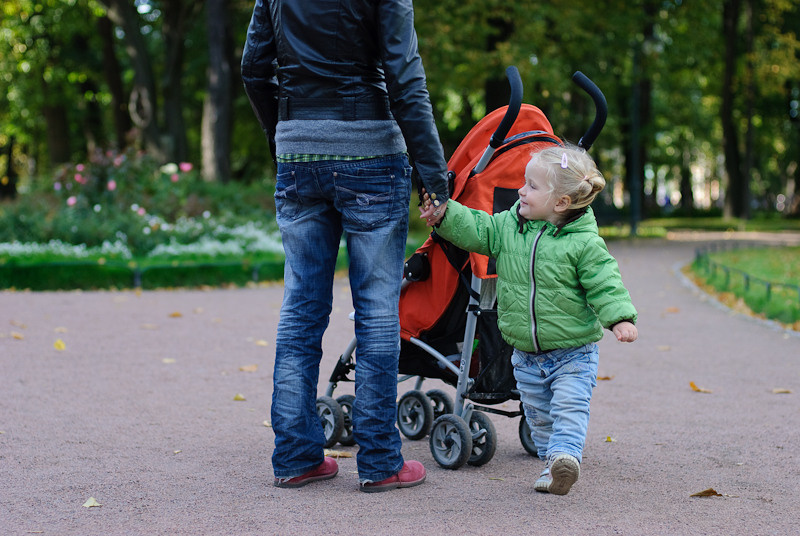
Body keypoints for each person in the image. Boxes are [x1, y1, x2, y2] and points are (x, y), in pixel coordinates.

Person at [241, 0, 449, 492]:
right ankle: (380, 462)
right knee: (377, 310)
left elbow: (253, 68)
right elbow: (404, 78)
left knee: (300, 309)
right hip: (370, 152)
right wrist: (434, 176)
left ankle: (295, 457)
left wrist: (283, 136)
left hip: (298, 150)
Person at [422, 144, 637, 495]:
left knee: (569, 408)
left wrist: (620, 318)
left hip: (573, 353)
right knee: (538, 418)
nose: (521, 190)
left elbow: (605, 282)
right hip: (524, 355)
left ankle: (566, 456)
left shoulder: (584, 243)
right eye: (524, 182)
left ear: (561, 203)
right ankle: (553, 466)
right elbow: (478, 228)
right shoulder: (509, 227)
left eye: (532, 186)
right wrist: (445, 214)